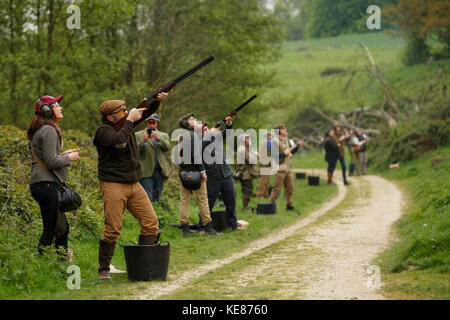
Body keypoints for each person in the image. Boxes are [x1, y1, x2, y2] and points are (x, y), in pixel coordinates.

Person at [93, 92, 168, 281]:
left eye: (126, 110)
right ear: (111, 116)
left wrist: (157, 100)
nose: (126, 113)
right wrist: (130, 121)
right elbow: (119, 140)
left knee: (151, 223)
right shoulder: (103, 132)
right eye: (122, 111)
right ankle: (103, 270)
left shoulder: (125, 124)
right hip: (113, 184)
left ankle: (144, 267)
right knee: (113, 229)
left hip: (134, 184)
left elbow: (143, 112)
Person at [27, 94, 80, 259]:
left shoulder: (41, 129)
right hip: (46, 185)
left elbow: (47, 157)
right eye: (56, 105)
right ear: (47, 110)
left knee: (61, 227)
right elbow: (51, 162)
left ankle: (59, 264)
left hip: (42, 184)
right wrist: (69, 158)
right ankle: (45, 264)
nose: (60, 107)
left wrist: (62, 154)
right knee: (51, 229)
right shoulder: (49, 130)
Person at [176, 113, 220, 237]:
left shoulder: (180, 135)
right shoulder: (193, 136)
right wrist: (202, 171)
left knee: (184, 201)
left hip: (184, 171)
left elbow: (179, 156)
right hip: (196, 172)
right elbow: (196, 155)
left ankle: (185, 229)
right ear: (186, 123)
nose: (195, 120)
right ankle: (209, 227)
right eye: (192, 119)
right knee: (203, 200)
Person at [201, 115, 243, 231]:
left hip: (226, 174)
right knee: (208, 204)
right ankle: (203, 227)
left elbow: (227, 134)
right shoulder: (200, 143)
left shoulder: (216, 137)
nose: (207, 131)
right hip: (212, 177)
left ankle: (233, 225)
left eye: (207, 129)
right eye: (204, 130)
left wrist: (229, 124)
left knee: (231, 201)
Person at [135, 113, 171, 202]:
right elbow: (135, 152)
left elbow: (167, 148)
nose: (151, 125)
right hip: (145, 170)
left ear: (157, 123)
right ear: (146, 123)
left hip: (159, 170)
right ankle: (148, 215)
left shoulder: (163, 135)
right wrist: (143, 141)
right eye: (149, 122)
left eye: (153, 122)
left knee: (157, 196)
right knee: (147, 196)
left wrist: (158, 138)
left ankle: (156, 214)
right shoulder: (138, 135)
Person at [270, 124, 304, 211]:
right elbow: (274, 155)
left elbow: (291, 151)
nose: (286, 130)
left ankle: (289, 205)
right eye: (284, 129)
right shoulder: (274, 141)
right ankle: (271, 206)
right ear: (280, 131)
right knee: (276, 189)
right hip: (280, 168)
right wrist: (284, 153)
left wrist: (298, 146)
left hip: (288, 168)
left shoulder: (286, 140)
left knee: (290, 188)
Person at [236, 134, 259, 210]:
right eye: (247, 139)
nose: (249, 140)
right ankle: (245, 207)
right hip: (245, 174)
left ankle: (246, 206)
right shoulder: (242, 149)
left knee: (248, 190)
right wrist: (255, 154)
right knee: (247, 190)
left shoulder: (245, 148)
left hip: (247, 173)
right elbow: (251, 160)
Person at [256, 132, 272, 198]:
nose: (271, 137)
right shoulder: (266, 142)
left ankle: (266, 194)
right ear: (268, 136)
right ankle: (260, 194)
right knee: (264, 180)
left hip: (267, 163)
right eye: (270, 136)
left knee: (267, 180)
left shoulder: (266, 142)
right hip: (265, 163)